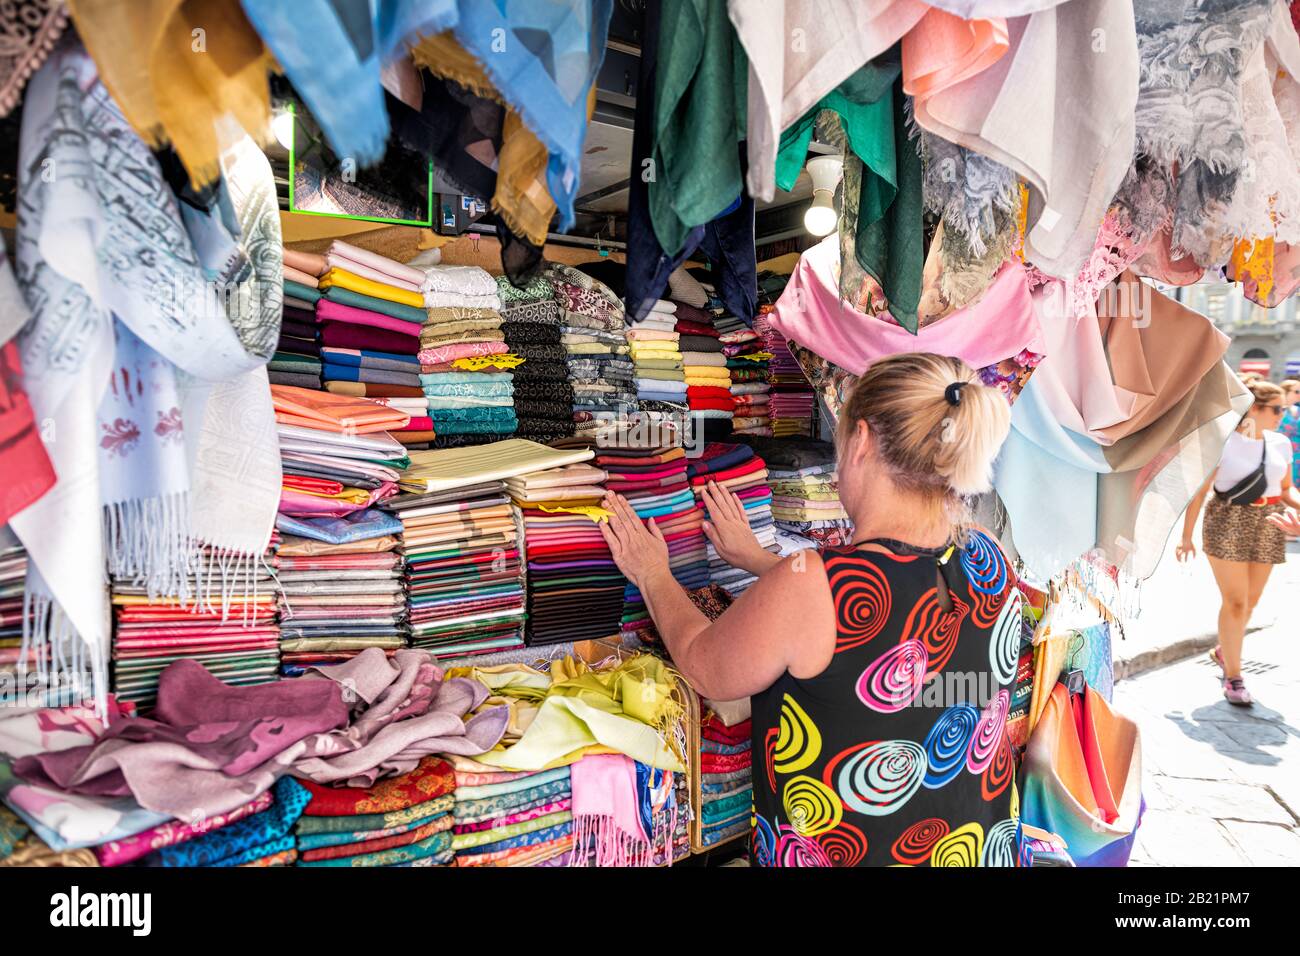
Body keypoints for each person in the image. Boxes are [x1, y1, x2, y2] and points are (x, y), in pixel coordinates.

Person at [599, 352, 1022, 867]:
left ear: (861, 441)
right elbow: (893, 615)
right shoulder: (990, 561)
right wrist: (763, 564)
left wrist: (653, 574)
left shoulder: (813, 586)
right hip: (972, 848)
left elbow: (704, 665)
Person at [1178, 380, 1299, 705]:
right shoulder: (1223, 443)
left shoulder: (1280, 443)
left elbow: (1286, 490)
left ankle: (1224, 649)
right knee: (1235, 602)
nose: (1281, 415)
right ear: (1253, 408)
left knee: (1251, 601)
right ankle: (1234, 677)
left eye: (1283, 409)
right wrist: (1186, 537)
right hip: (1227, 520)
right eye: (1276, 409)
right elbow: (1201, 491)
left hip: (1269, 520)